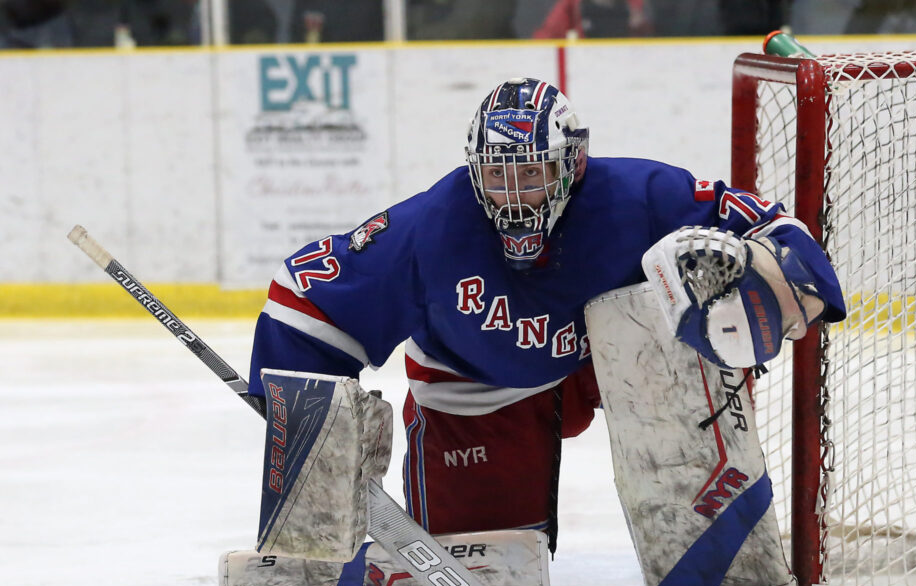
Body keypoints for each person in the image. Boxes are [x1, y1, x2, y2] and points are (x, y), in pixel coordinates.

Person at [247, 76, 845, 548]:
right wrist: (297, 412)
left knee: (686, 355)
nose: (513, 197)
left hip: (612, 365)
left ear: (570, 166)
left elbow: (771, 226)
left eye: (531, 174)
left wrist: (787, 283)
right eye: (497, 177)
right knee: (484, 578)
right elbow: (305, 297)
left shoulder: (638, 199)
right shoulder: (431, 228)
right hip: (476, 384)